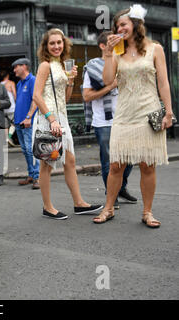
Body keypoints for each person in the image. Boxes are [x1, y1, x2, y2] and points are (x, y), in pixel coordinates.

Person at [94, 5, 174, 227]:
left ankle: (147, 212)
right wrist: (107, 53)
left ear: (136, 24)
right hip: (124, 115)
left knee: (148, 165)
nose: (119, 28)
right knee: (116, 165)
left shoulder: (155, 48)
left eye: (123, 24)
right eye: (117, 25)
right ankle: (108, 208)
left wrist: (169, 111)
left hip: (149, 113)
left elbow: (163, 82)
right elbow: (108, 80)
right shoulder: (116, 52)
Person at [32, 28, 103, 220]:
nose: (56, 46)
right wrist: (51, 119)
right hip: (49, 120)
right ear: (46, 46)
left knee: (70, 161)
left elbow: (65, 98)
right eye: (52, 43)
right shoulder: (45, 66)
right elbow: (36, 96)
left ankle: (79, 203)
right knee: (47, 164)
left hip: (61, 118)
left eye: (59, 42)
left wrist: (70, 80)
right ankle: (47, 207)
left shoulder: (61, 65)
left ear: (64, 44)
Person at [82, 31, 137, 209]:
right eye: (111, 41)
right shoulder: (93, 66)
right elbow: (87, 96)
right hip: (104, 122)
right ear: (102, 46)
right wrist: (110, 86)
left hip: (126, 118)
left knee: (129, 158)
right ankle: (110, 196)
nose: (116, 43)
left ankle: (120, 187)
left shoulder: (125, 64)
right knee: (109, 161)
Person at [12, 58, 40, 189]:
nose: (14, 70)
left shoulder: (33, 80)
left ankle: (37, 177)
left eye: (16, 67)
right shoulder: (19, 83)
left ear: (24, 66)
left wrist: (29, 117)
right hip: (19, 122)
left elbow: (36, 100)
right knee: (25, 150)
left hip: (28, 122)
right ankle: (31, 175)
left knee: (30, 149)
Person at [0, 69, 17, 147]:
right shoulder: (11, 83)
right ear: (8, 75)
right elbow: (14, 95)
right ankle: (8, 138)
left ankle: (7, 140)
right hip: (12, 107)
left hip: (3, 107)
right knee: (15, 123)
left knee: (5, 125)